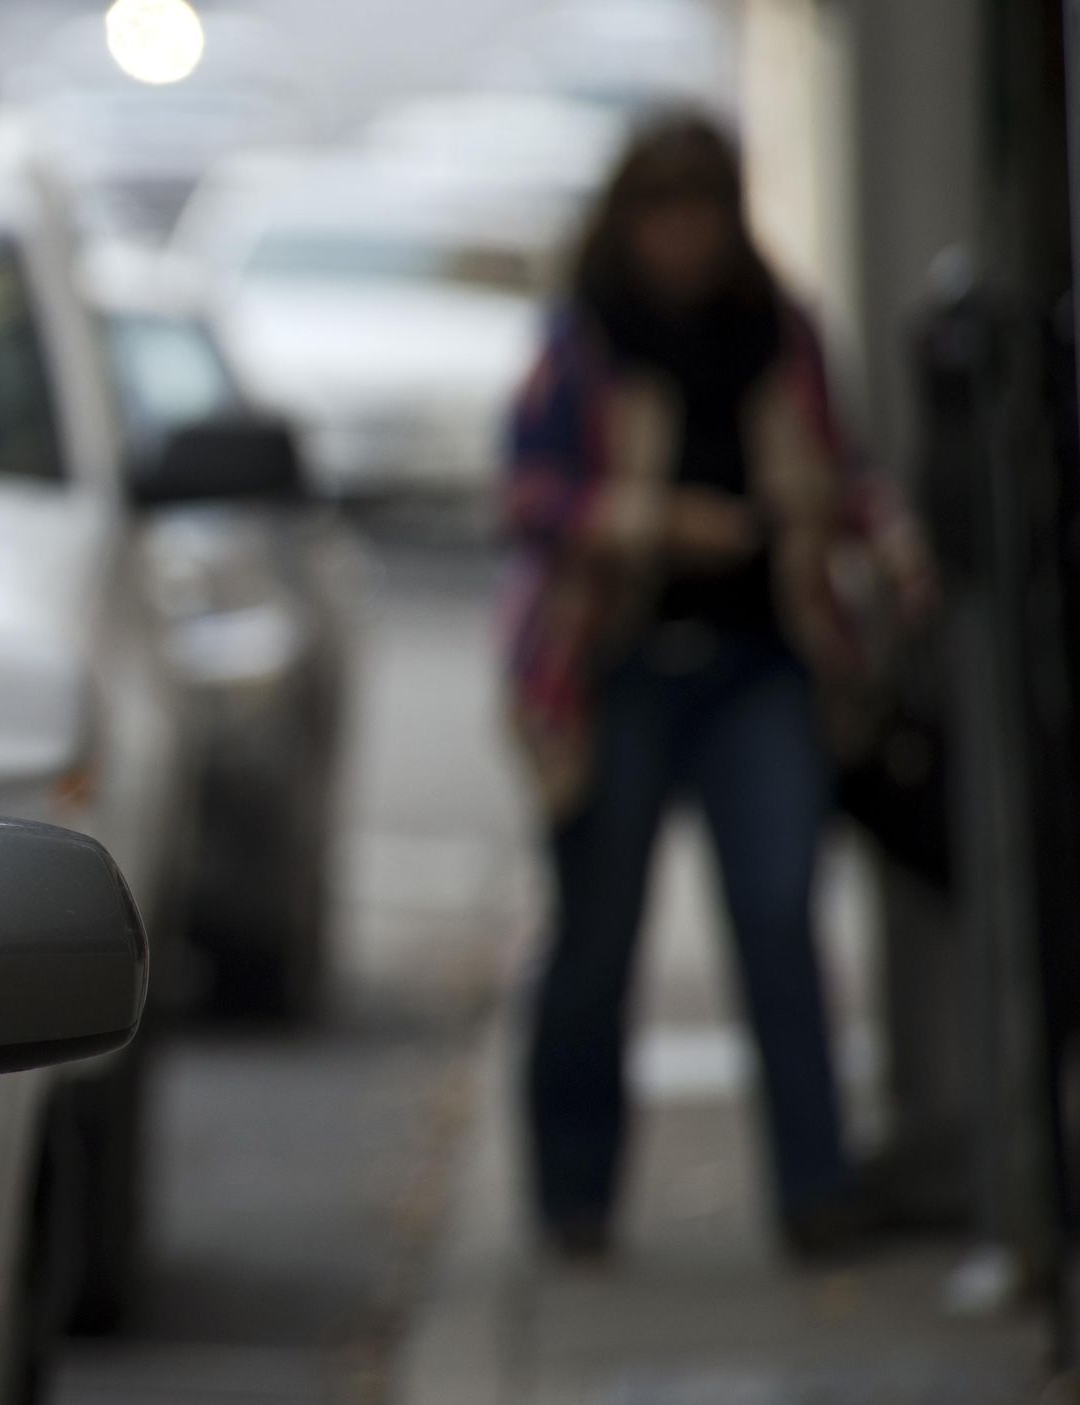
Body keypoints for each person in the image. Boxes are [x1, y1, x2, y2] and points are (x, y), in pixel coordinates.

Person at [502, 112, 932, 1262]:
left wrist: (883, 536)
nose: (681, 242)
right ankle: (573, 1194)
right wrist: (652, 522)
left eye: (699, 216)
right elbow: (527, 495)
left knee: (780, 916)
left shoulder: (778, 334)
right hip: (618, 666)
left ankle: (813, 1183)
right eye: (661, 216)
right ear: (627, 223)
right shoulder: (584, 341)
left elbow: (843, 468)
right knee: (597, 938)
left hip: (759, 663)